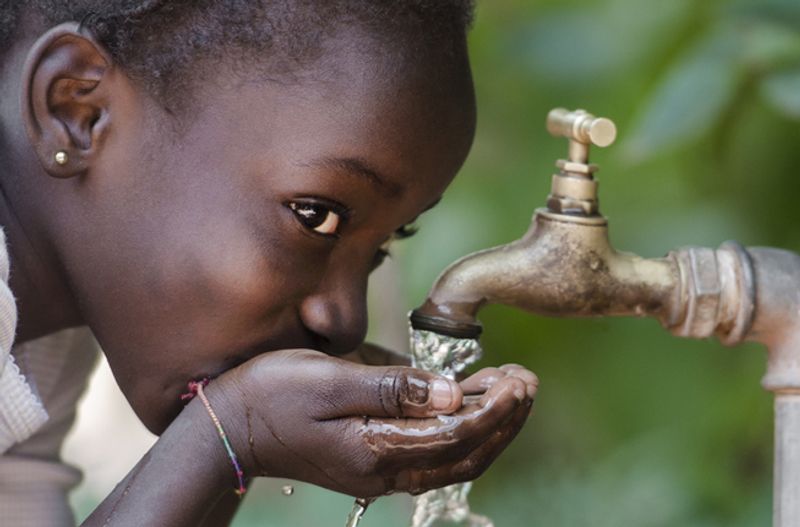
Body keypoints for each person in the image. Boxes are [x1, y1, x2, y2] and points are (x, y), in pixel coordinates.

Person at [0, 1, 539, 525]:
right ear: (79, 111)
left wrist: (241, 439)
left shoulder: (40, 342)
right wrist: (228, 432)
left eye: (383, 245)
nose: (344, 320)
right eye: (315, 216)